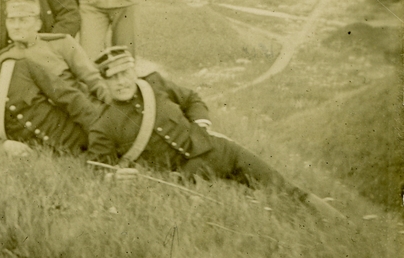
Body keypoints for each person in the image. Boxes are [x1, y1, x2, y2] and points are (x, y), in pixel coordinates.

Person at [88, 47, 343, 217]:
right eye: (113, 78)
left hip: (219, 151)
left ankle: (340, 225)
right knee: (237, 213)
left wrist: (201, 124)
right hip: (184, 177)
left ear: (134, 71)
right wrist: (116, 178)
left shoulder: (155, 84)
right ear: (104, 81)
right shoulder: (103, 125)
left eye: (125, 73)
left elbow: (192, 99)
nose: (121, 82)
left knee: (280, 187)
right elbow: (101, 171)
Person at [0, 19, 100, 153]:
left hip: (77, 141)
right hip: (41, 158)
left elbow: (71, 98)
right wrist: (1, 147)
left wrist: (99, 136)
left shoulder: (23, 67)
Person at [0, 0, 109, 103]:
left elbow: (93, 80)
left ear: (38, 24)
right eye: (11, 20)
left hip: (80, 109)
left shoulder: (61, 43)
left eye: (23, 21)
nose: (16, 26)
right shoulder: (3, 58)